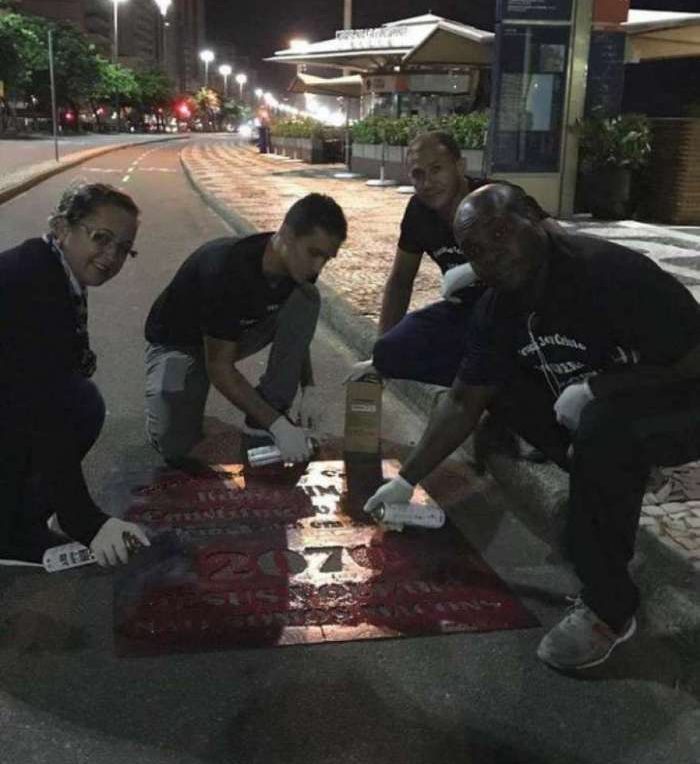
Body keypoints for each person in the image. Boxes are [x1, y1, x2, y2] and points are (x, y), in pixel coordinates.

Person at [364, 182, 700, 672]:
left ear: (534, 218)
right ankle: (609, 478)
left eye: (501, 232)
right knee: (505, 391)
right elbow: (463, 401)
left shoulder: (607, 272)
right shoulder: (498, 309)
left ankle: (610, 608)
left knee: (604, 425)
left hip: (683, 401)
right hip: (619, 412)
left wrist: (602, 389)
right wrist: (406, 479)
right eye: (476, 250)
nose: (492, 254)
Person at [0, 183, 151, 568]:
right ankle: (11, 535)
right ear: (64, 228)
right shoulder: (33, 282)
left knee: (78, 399)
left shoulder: (51, 267)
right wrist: (87, 522)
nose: (111, 255)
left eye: (123, 248)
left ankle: (20, 518)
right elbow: (42, 414)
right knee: (73, 406)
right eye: (101, 238)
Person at [144, 193, 347, 469]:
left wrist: (308, 386)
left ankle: (266, 412)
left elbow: (296, 334)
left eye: (327, 258)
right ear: (286, 234)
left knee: (306, 298)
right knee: (174, 444)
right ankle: (260, 417)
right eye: (314, 252)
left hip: (236, 334)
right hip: (179, 344)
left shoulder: (298, 270)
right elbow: (219, 368)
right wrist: (281, 428)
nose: (318, 266)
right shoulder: (227, 268)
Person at [346, 130, 549, 389]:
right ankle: (474, 381)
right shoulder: (419, 211)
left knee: (500, 364)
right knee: (390, 351)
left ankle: (488, 390)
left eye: (437, 169)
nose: (428, 182)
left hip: (517, 307)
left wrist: (476, 269)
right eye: (418, 174)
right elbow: (400, 281)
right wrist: (380, 360)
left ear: (460, 166)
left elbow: (555, 241)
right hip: (464, 311)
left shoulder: (496, 197)